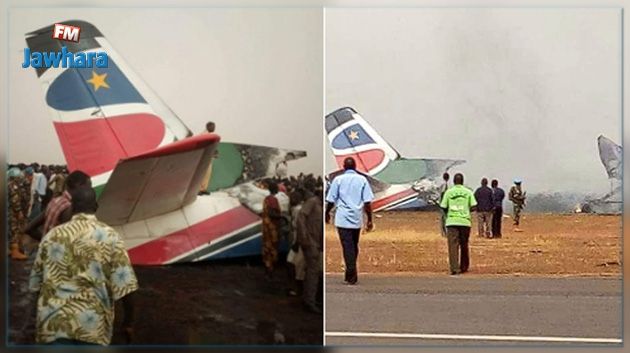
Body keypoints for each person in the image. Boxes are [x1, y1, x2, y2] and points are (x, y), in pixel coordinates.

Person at [29, 187, 138, 345]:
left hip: (53, 326)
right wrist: (128, 323)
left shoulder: (52, 236)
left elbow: (35, 285)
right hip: (92, 329)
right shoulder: (110, 237)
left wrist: (39, 318)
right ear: (95, 207)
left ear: (72, 207)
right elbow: (127, 288)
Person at [325, 157, 374, 285]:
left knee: (348, 246)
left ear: (344, 166)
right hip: (356, 218)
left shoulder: (338, 180)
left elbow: (331, 200)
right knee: (353, 245)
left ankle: (351, 272)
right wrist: (369, 219)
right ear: (355, 166)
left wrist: (327, 213)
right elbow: (367, 202)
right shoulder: (362, 180)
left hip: (342, 219)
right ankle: (350, 273)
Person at [440, 173, 477, 275]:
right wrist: (466, 210)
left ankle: (454, 268)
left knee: (453, 246)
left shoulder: (449, 192)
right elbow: (474, 206)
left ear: (454, 181)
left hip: (452, 221)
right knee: (464, 245)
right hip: (465, 221)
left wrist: (450, 213)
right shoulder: (468, 192)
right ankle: (464, 266)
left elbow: (443, 206)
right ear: (462, 181)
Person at [297, 183, 323, 314]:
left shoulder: (321, 205)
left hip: (317, 243)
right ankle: (309, 301)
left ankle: (310, 298)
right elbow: (301, 217)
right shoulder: (312, 202)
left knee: (314, 272)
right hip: (311, 243)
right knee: (313, 273)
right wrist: (304, 238)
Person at [262, 182, 282, 279]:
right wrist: (282, 217)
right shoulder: (273, 200)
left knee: (267, 246)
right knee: (272, 247)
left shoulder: (266, 199)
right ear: (275, 189)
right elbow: (271, 213)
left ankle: (267, 268)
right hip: (272, 227)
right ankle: (270, 270)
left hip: (266, 226)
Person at [8, 168, 28, 260]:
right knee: (14, 230)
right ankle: (15, 252)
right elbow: (14, 199)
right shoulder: (12, 185)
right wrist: (19, 211)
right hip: (11, 211)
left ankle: (9, 250)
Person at [199, 121, 216, 195]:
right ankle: (199, 189)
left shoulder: (210, 135)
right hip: (204, 157)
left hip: (208, 156)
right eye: (212, 126)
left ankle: (203, 189)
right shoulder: (204, 135)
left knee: (207, 173)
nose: (213, 128)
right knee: (203, 173)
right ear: (208, 127)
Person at [438, 172, 450, 237]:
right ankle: (445, 233)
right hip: (446, 204)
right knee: (445, 218)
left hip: (443, 204)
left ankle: (444, 233)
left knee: (443, 219)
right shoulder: (446, 185)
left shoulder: (442, 185)